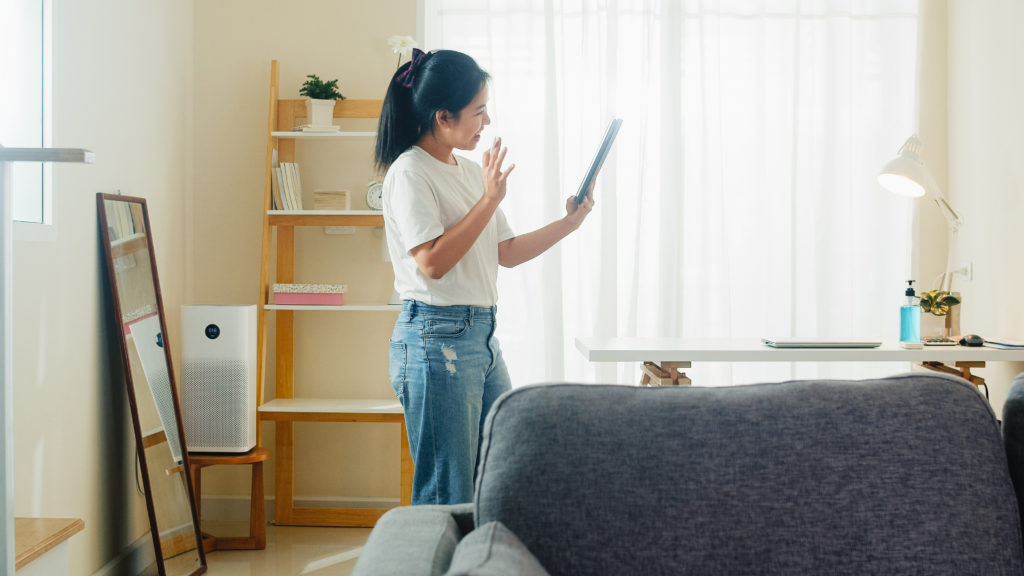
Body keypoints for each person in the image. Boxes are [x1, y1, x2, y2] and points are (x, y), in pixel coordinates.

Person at [374, 48, 595, 505]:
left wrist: (569, 222)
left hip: (480, 336)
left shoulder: (472, 172)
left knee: (496, 467)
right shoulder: (409, 173)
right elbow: (433, 262)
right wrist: (489, 201)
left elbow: (506, 253)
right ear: (443, 117)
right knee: (448, 490)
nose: (486, 122)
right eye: (478, 112)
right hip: (436, 339)